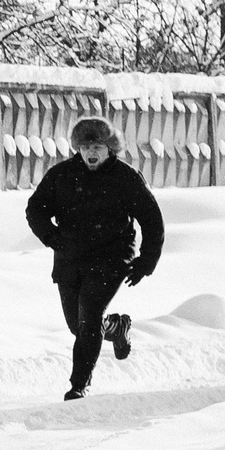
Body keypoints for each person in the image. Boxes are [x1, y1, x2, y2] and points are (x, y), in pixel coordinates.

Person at [25, 116, 164, 400]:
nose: (91, 152)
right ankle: (116, 327)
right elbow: (35, 209)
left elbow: (151, 219)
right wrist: (51, 236)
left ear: (110, 148)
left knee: (88, 319)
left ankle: (79, 384)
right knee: (77, 325)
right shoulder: (62, 175)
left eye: (97, 147)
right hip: (70, 257)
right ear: (77, 148)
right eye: (85, 146)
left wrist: (146, 261)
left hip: (111, 258)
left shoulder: (125, 178)